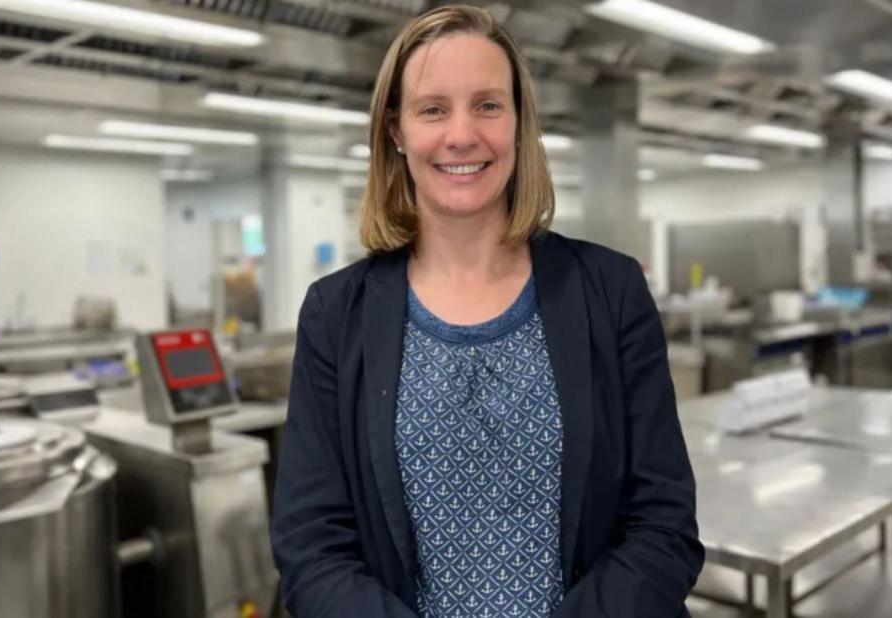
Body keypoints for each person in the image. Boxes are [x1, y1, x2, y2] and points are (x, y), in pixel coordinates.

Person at [270, 5, 703, 617]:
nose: (462, 134)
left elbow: (663, 524)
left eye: (488, 105)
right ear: (395, 130)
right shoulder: (335, 313)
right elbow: (311, 546)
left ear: (520, 123)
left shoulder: (611, 290)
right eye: (433, 108)